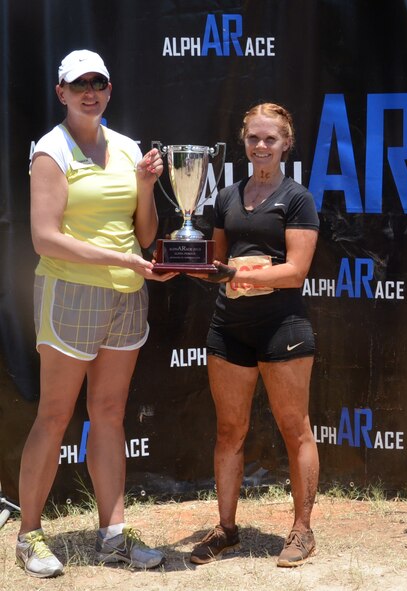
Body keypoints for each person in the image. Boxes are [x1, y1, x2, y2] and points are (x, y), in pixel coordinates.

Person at [17, 49, 175, 578]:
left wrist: (148, 187)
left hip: (127, 294)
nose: (91, 91)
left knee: (108, 415)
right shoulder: (50, 150)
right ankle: (29, 535)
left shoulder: (128, 147)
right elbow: (45, 238)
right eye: (78, 83)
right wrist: (120, 258)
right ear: (60, 92)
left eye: (99, 83)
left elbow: (146, 235)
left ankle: (113, 534)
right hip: (71, 293)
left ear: (109, 90)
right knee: (55, 415)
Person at [188, 103, 320, 568]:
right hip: (229, 327)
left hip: (282, 327)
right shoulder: (225, 196)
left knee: (294, 428)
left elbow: (297, 271)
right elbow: (220, 266)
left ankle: (302, 530)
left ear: (287, 144)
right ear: (243, 143)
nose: (261, 146)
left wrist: (240, 274)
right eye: (253, 139)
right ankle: (225, 529)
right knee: (229, 431)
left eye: (270, 139)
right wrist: (202, 270)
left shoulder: (297, 197)